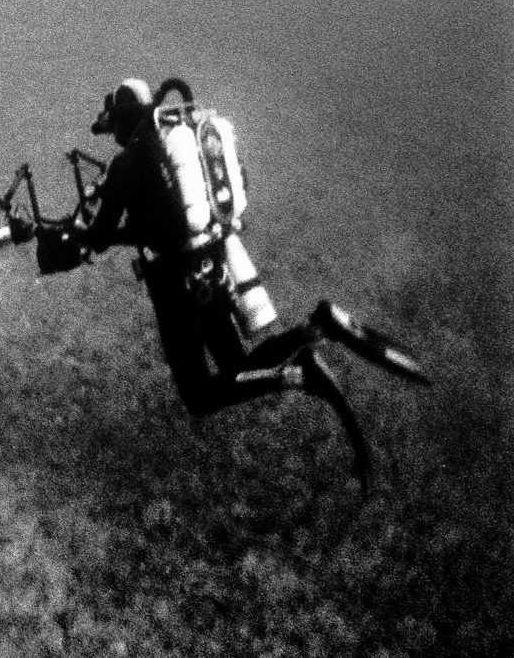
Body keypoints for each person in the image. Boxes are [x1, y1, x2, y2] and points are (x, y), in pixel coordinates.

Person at [78, 77, 428, 491]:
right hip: (212, 265)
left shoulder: (128, 163)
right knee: (237, 367)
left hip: (175, 284)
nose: (113, 134)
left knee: (200, 394)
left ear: (123, 119)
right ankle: (318, 327)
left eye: (114, 123)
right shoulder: (179, 137)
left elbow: (97, 237)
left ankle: (299, 375)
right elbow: (196, 204)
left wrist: (65, 230)